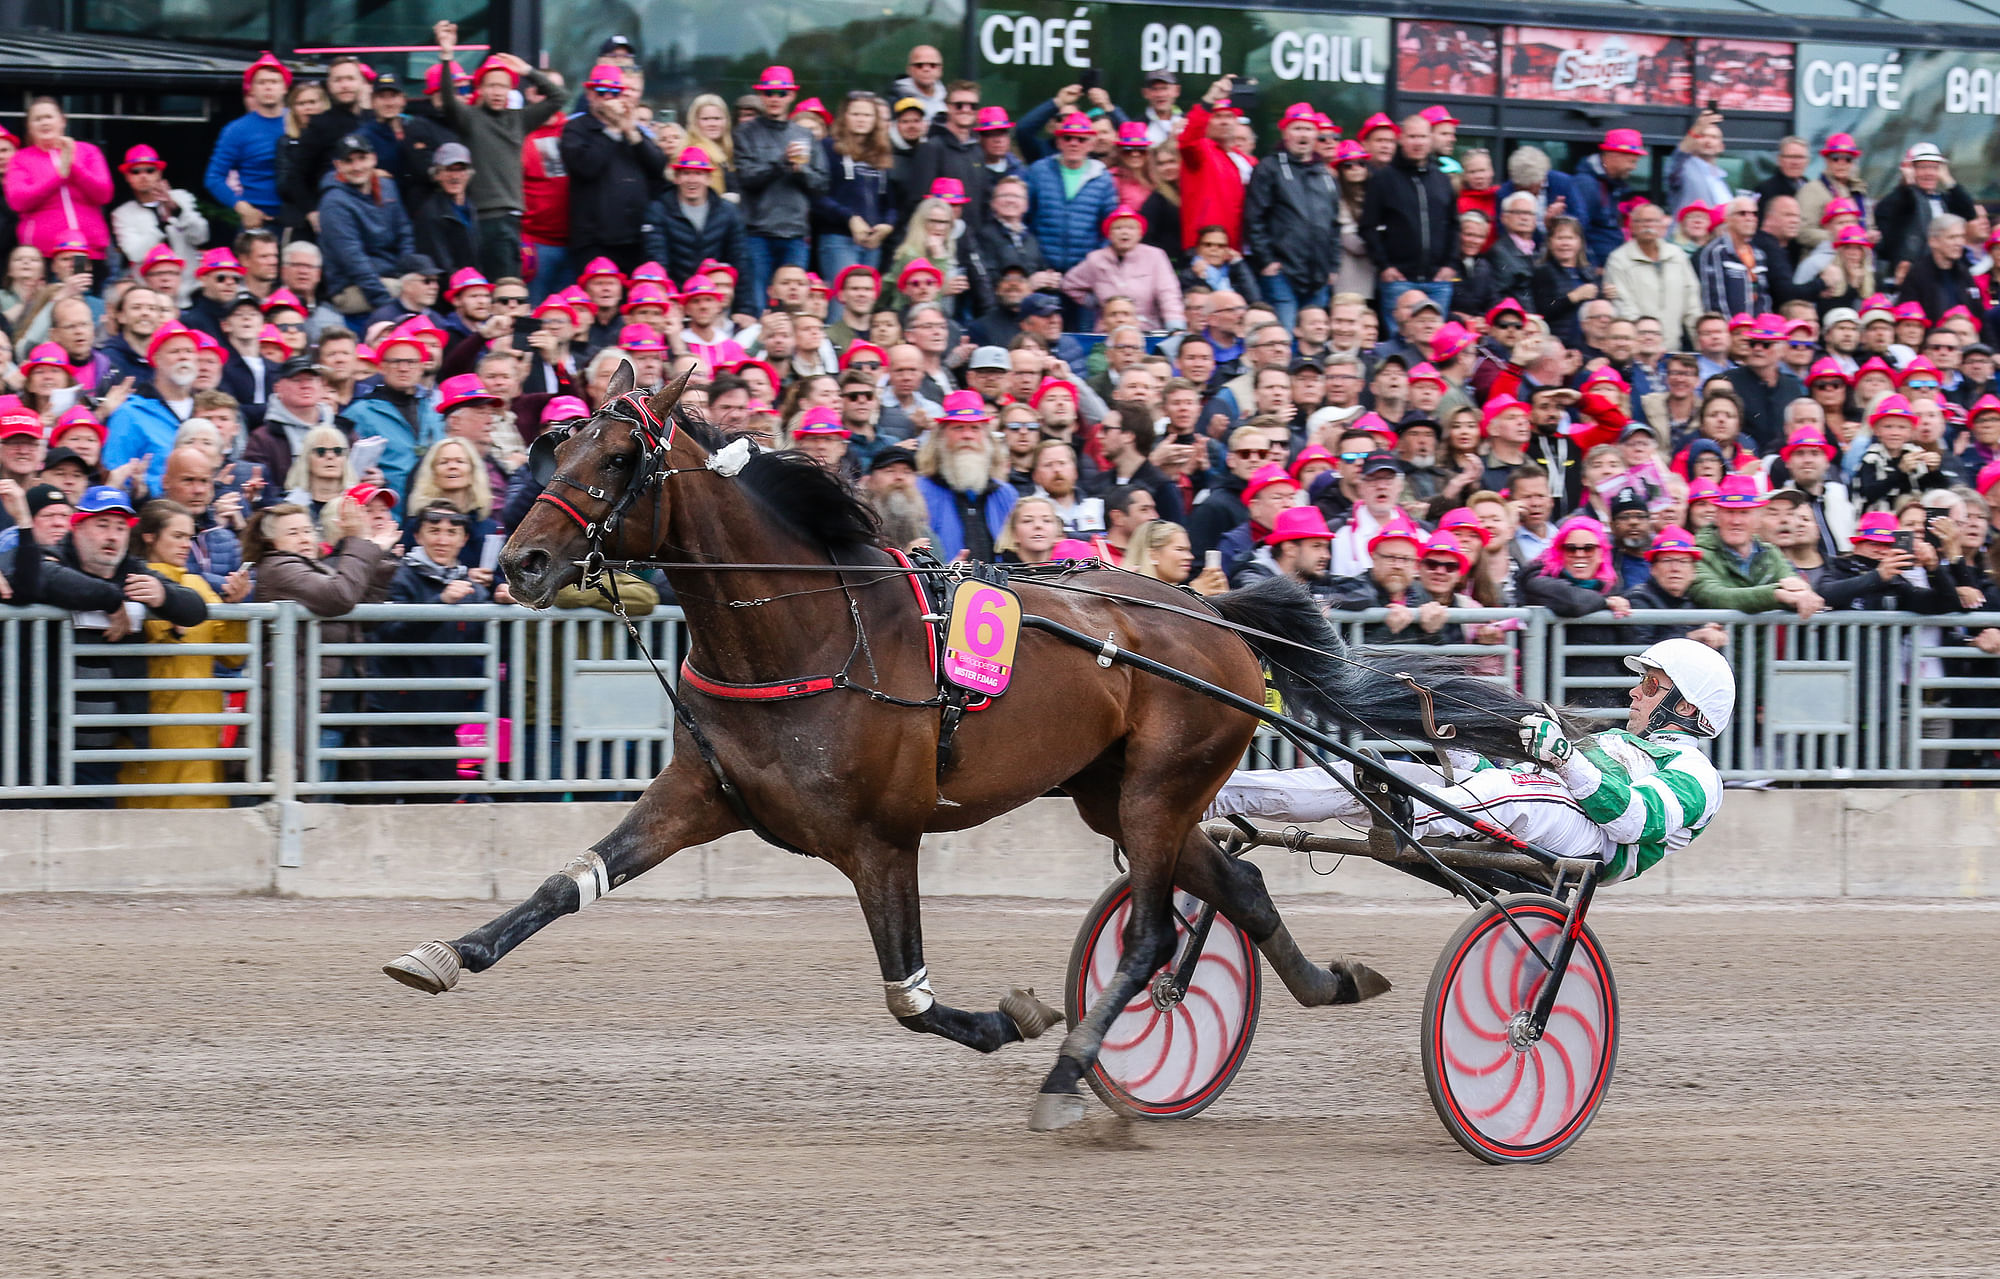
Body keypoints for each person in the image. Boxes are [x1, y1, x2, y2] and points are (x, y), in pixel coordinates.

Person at [1212, 637, 1733, 883]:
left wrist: (1564, 756)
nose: (1634, 692)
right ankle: (1218, 795)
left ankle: (1408, 813)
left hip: (1598, 847)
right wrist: (1455, 736)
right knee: (1366, 773)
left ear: (1685, 706)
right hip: (1528, 804)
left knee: (1512, 795)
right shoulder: (1616, 741)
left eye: (1649, 684)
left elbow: (1632, 820)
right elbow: (1514, 780)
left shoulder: (1697, 775)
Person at [245, 498, 400, 777]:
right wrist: (360, 542)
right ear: (271, 541)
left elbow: (366, 617)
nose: (304, 538)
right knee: (313, 802)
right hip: (308, 710)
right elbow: (339, 597)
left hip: (334, 708)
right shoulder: (279, 567)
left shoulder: (317, 568)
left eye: (307, 530)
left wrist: (377, 556)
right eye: (292, 533)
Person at [431, 22, 563, 280]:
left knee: (508, 289)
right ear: (480, 89)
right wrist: (447, 55)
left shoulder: (519, 119)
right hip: (479, 216)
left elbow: (558, 97)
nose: (497, 91)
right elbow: (448, 100)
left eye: (503, 86)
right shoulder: (470, 118)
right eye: (491, 85)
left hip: (510, 219)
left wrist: (527, 70)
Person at [734, 66, 828, 308]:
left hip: (795, 233)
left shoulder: (805, 135)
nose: (775, 98)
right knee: (758, 306)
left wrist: (800, 170)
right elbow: (746, 178)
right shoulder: (745, 132)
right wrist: (781, 163)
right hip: (757, 233)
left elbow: (821, 185)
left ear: (792, 96)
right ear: (761, 96)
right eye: (769, 93)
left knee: (794, 307)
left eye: (781, 93)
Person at [1243, 103, 1339, 330]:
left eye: (1308, 129)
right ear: (1285, 133)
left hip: (1319, 276)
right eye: (1297, 128)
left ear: (1316, 134)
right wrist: (1266, 261)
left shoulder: (1326, 175)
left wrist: (1333, 267)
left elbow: (1334, 225)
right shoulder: (1269, 168)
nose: (1303, 134)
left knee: (1313, 340)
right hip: (1281, 273)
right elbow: (1254, 217)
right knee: (1281, 338)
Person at [1360, 113, 1457, 322]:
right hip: (1399, 280)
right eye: (1412, 136)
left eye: (1422, 137)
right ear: (1401, 139)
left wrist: (1450, 264)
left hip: (1438, 280)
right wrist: (1385, 266)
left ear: (1430, 139)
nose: (1418, 142)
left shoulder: (1441, 179)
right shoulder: (1383, 179)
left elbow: (1454, 226)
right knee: (1400, 345)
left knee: (1436, 345)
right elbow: (1368, 226)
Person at [5, 98, 113, 272]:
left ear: (63, 121)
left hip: (88, 250)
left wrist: (73, 167)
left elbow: (104, 194)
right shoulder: (21, 158)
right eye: (37, 119)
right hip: (43, 254)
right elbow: (18, 200)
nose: (44, 123)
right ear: (29, 127)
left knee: (88, 298)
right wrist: (58, 177)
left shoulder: (88, 151)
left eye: (49, 117)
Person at [319, 134, 416, 318]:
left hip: (392, 276)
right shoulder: (334, 203)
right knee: (414, 295)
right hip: (352, 286)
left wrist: (407, 273)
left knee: (426, 285)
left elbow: (405, 233)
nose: (357, 167)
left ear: (373, 158)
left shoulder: (387, 186)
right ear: (338, 165)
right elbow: (353, 260)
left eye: (362, 158)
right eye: (349, 161)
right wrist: (387, 303)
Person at [916, 390, 1014, 559]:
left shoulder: (1005, 494)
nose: (967, 435)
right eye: (958, 428)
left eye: (975, 428)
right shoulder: (920, 491)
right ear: (941, 437)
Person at [205, 53, 290, 231]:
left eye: (274, 82)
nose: (268, 87)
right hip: (255, 221)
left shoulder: (300, 122)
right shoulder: (236, 130)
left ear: (285, 87)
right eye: (262, 82)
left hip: (295, 218)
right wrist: (242, 207)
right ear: (251, 89)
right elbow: (213, 178)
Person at [1025, 113, 1117, 276]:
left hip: (1084, 272)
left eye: (1081, 139)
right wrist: (1032, 261)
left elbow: (1110, 226)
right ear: (1059, 142)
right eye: (1068, 138)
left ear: (1091, 144)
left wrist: (1094, 263)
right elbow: (1024, 219)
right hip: (1041, 270)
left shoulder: (1103, 178)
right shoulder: (1039, 171)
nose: (1074, 144)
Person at [1875, 142, 1977, 283]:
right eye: (1922, 167)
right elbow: (1898, 208)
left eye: (1934, 167)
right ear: (1911, 169)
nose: (1929, 173)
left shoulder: (1944, 200)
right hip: (1910, 276)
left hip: (1943, 275)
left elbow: (1969, 212)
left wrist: (1948, 180)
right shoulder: (1900, 198)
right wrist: (1907, 183)